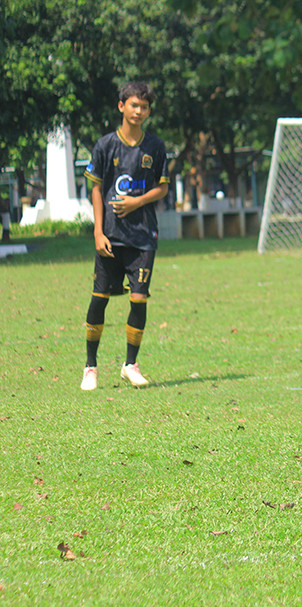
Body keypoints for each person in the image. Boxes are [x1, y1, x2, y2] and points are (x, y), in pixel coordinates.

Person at [80, 81, 170, 391]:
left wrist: (138, 201)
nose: (139, 111)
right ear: (122, 106)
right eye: (134, 105)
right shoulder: (105, 145)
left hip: (144, 236)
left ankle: (130, 364)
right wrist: (98, 231)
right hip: (111, 236)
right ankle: (91, 367)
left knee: (139, 298)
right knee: (99, 299)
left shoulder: (155, 147)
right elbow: (95, 187)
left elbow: (162, 186)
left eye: (144, 107)